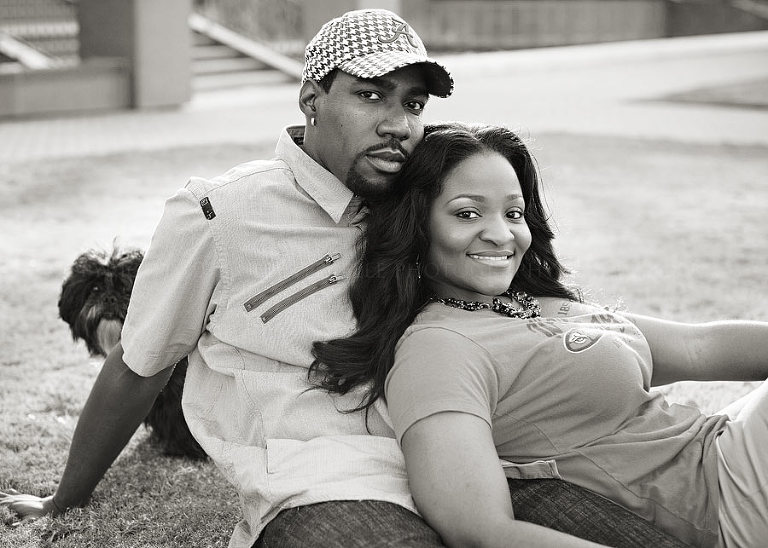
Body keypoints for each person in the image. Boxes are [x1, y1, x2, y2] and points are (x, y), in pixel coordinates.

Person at [1, 11, 686, 548]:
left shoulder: (424, 193)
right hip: (330, 481)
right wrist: (67, 497)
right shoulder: (220, 212)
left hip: (476, 459)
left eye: (413, 104)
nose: (398, 124)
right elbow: (139, 364)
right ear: (311, 99)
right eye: (370, 96)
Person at [311, 121, 768, 548]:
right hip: (723, 495)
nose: (501, 234)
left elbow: (698, 345)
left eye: (514, 212)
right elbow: (479, 527)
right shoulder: (438, 348)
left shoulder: (539, 301)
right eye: (468, 214)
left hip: (729, 441)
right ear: (417, 227)